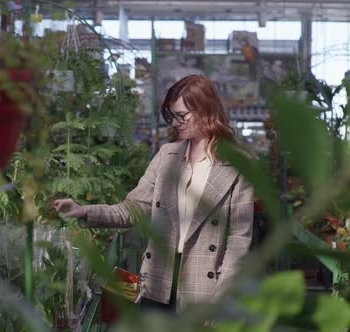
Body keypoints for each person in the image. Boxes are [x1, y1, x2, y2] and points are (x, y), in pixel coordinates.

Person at [52, 75, 254, 312]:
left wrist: (222, 296)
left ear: (205, 110)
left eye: (182, 115)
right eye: (171, 116)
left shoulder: (239, 164)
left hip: (205, 289)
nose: (175, 123)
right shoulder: (167, 156)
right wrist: (83, 210)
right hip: (158, 282)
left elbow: (239, 239)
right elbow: (132, 209)